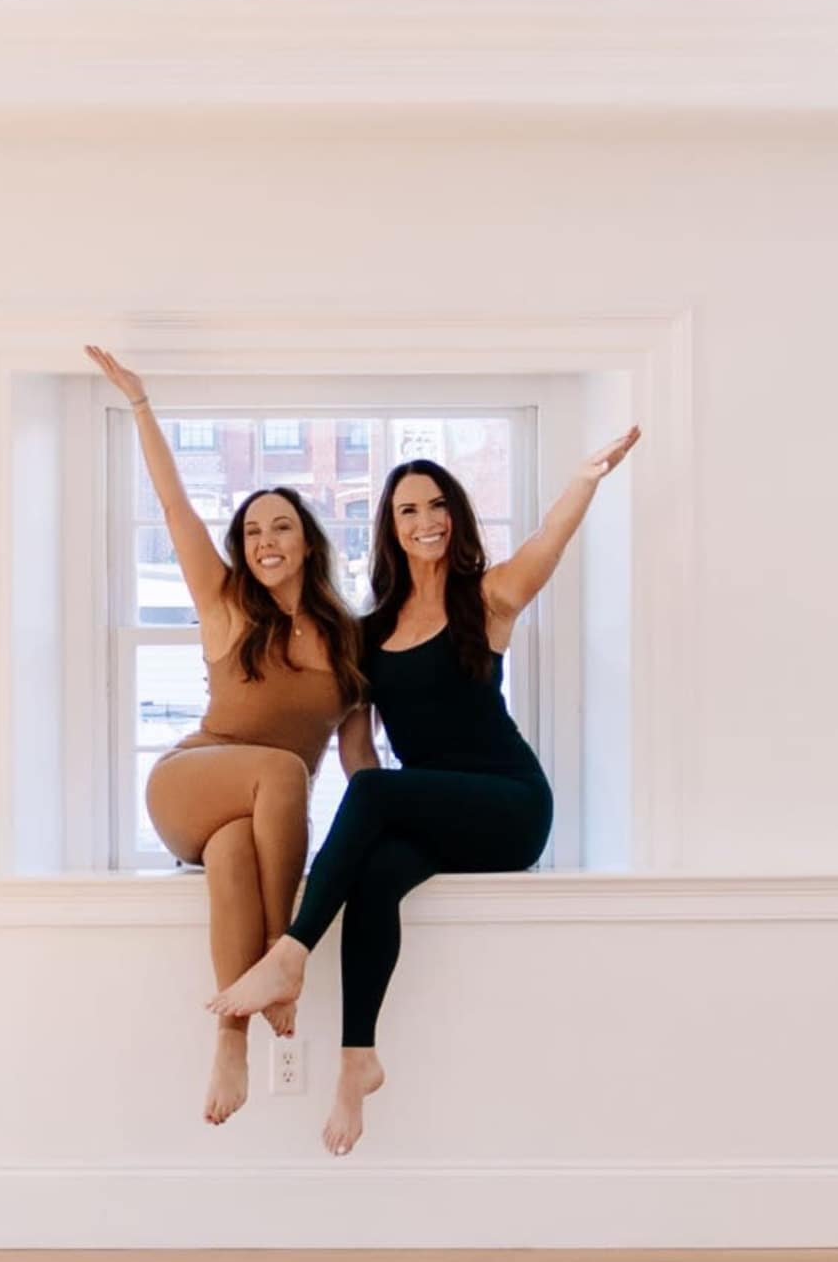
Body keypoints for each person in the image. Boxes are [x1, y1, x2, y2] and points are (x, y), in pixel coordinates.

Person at [216, 429, 641, 1154]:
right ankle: (358, 1060)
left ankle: (291, 952)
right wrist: (372, 818)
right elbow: (357, 751)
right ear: (391, 527)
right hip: (436, 810)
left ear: (455, 515)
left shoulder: (488, 598)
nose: (426, 521)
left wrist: (585, 479)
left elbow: (548, 541)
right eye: (408, 510)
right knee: (376, 872)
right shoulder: (369, 633)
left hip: (510, 805)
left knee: (378, 795)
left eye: (437, 505)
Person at [89, 353, 362, 1127]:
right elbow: (175, 506)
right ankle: (282, 958)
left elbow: (360, 763)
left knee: (237, 849)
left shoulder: (348, 639)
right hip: (188, 784)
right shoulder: (226, 604)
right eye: (252, 530)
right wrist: (142, 405)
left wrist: (386, 832)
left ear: (307, 541)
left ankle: (230, 1039)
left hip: (251, 816)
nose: (265, 540)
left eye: (281, 526)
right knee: (281, 770)